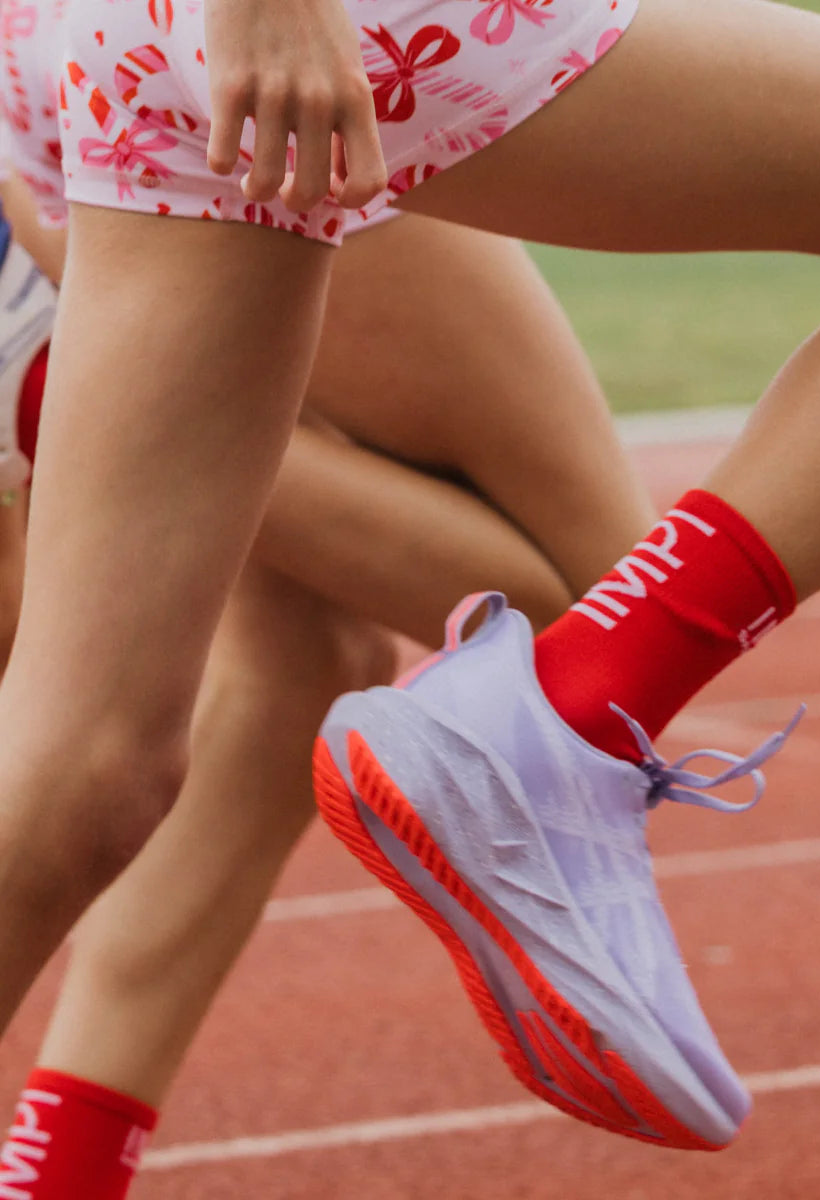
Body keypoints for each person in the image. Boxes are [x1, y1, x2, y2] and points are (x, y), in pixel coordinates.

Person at [0, 0, 820, 1156]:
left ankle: (62, 1167)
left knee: (106, 757)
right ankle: (559, 720)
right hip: (303, 31)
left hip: (108, 50)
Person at [0, 167, 654, 1199]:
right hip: (237, 93)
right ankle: (91, 399)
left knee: (298, 668)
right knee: (613, 621)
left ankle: (59, 1177)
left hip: (113, 122)